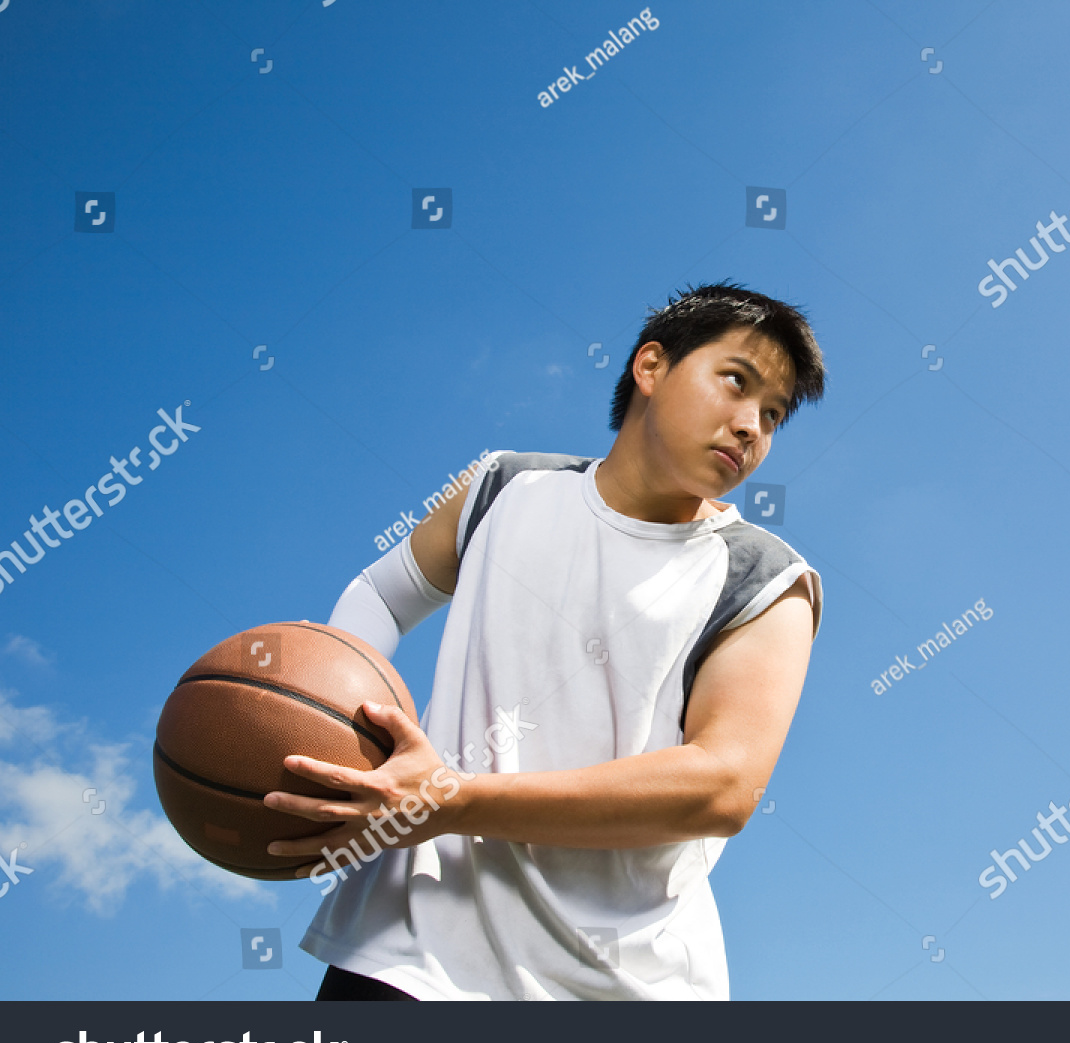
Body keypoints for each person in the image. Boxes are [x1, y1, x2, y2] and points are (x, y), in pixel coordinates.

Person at [263, 281, 827, 1000]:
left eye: (772, 413)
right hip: (408, 954)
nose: (752, 426)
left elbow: (723, 785)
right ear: (650, 367)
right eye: (735, 383)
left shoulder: (765, 577)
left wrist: (452, 800)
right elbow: (379, 594)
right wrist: (344, 732)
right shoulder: (503, 487)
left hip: (613, 984)